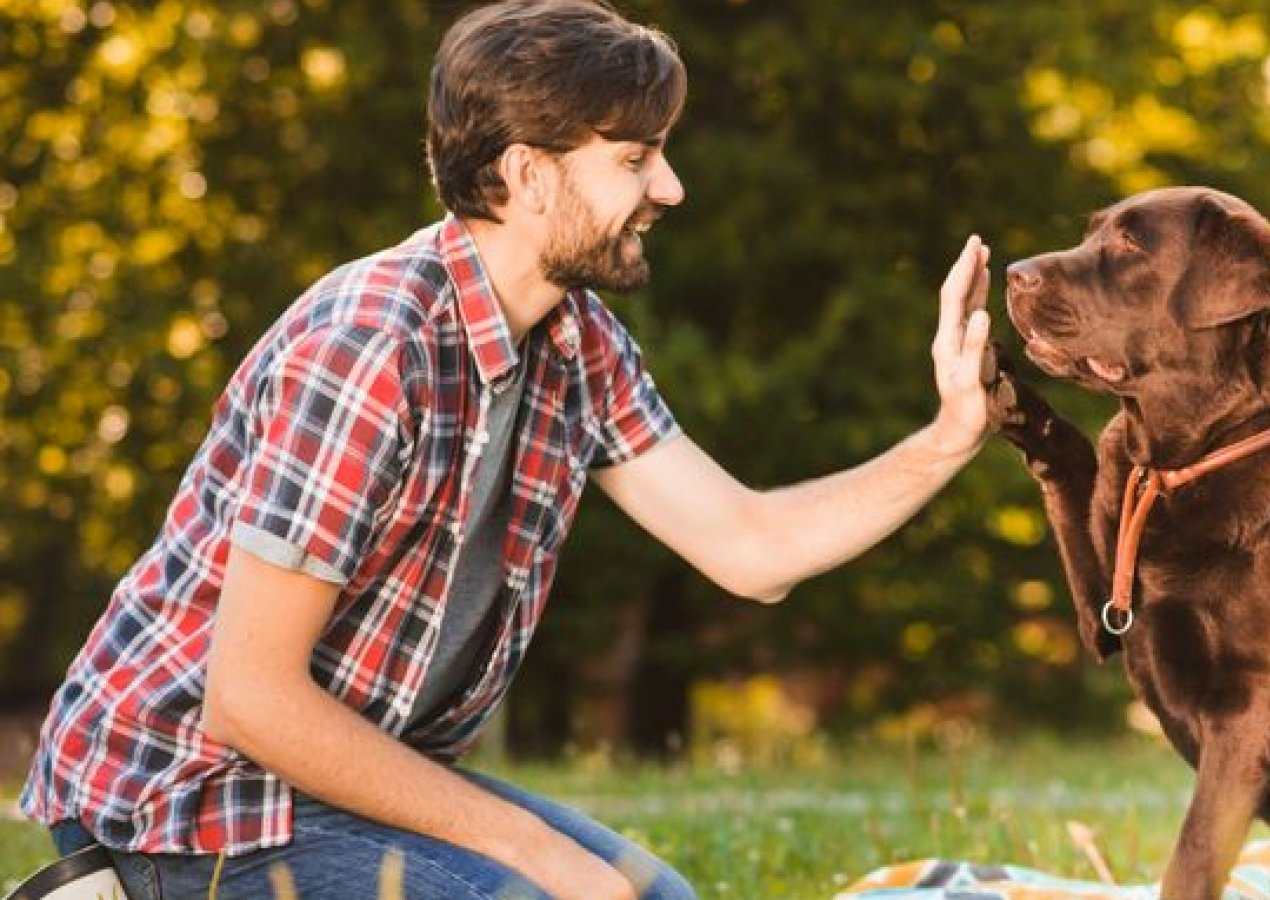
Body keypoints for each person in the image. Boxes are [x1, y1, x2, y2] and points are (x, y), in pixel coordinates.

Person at [19, 1, 995, 898]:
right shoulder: (370, 347)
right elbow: (251, 701)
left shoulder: (579, 345)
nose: (670, 187)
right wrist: (535, 852)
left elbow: (750, 547)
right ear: (530, 174)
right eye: (634, 159)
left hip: (335, 778)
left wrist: (948, 436)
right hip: (185, 795)